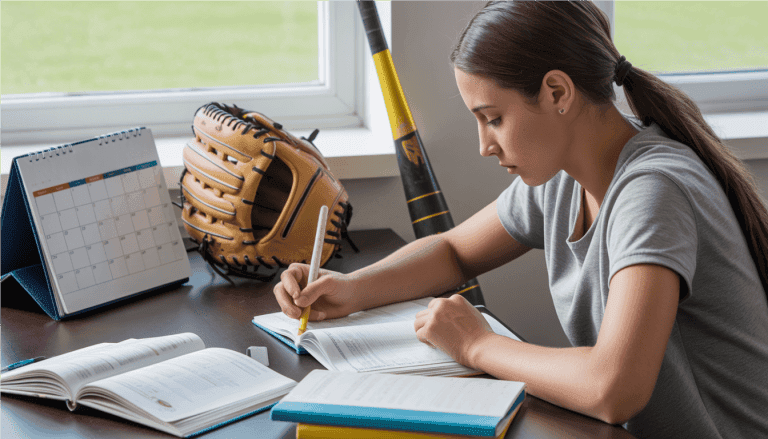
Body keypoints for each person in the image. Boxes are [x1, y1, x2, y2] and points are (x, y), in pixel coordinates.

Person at [273, 1, 768, 438]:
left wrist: (476, 344)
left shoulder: (653, 192)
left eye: (493, 118)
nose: (485, 145)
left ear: (557, 93)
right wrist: (352, 289)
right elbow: (453, 251)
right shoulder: (565, 177)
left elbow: (614, 388)